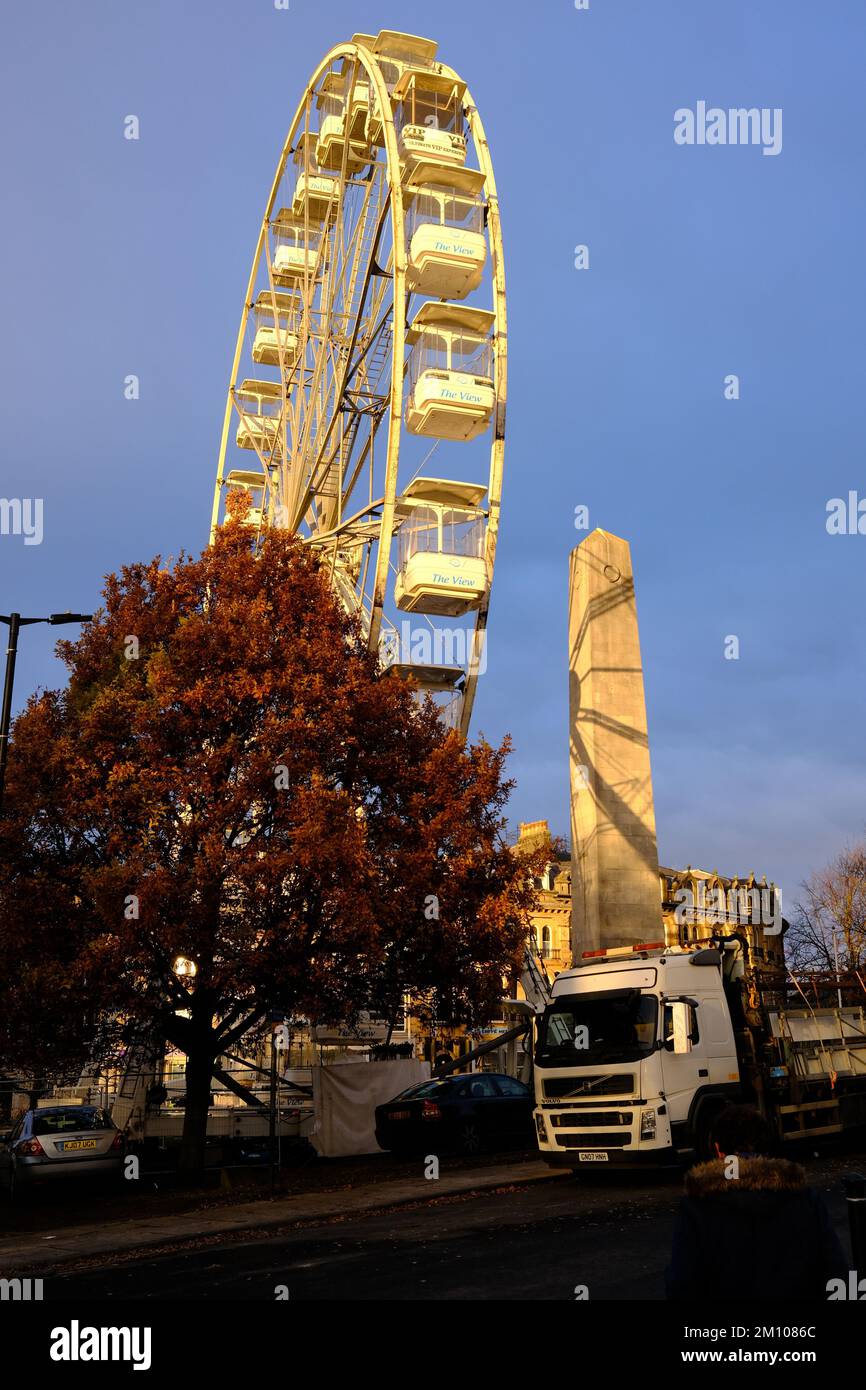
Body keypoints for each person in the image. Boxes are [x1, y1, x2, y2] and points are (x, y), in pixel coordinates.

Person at [665, 1104, 848, 1300]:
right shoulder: (805, 1200)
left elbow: (682, 1286)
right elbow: (835, 1275)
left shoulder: (698, 1207)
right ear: (766, 1148)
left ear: (718, 1150)